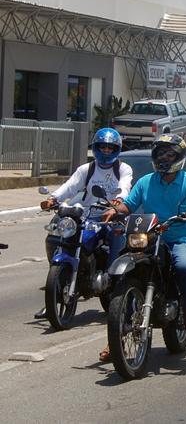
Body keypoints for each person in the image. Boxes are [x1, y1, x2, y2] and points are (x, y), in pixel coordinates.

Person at [98, 134, 186, 362]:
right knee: (121, 275)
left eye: (169, 154)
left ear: (179, 157)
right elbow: (129, 204)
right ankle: (115, 338)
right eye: (160, 154)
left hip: (177, 239)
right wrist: (115, 210)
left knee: (184, 267)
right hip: (148, 238)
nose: (164, 158)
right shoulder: (146, 182)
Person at [34, 128, 132, 319]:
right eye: (102, 147)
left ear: (116, 149)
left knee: (118, 237)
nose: (106, 151)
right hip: (87, 215)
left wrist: (119, 200)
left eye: (110, 148)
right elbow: (70, 186)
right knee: (59, 239)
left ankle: (115, 284)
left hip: (112, 215)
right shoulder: (86, 169)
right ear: (96, 148)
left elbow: (125, 186)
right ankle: (54, 298)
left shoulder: (123, 168)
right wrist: (53, 199)